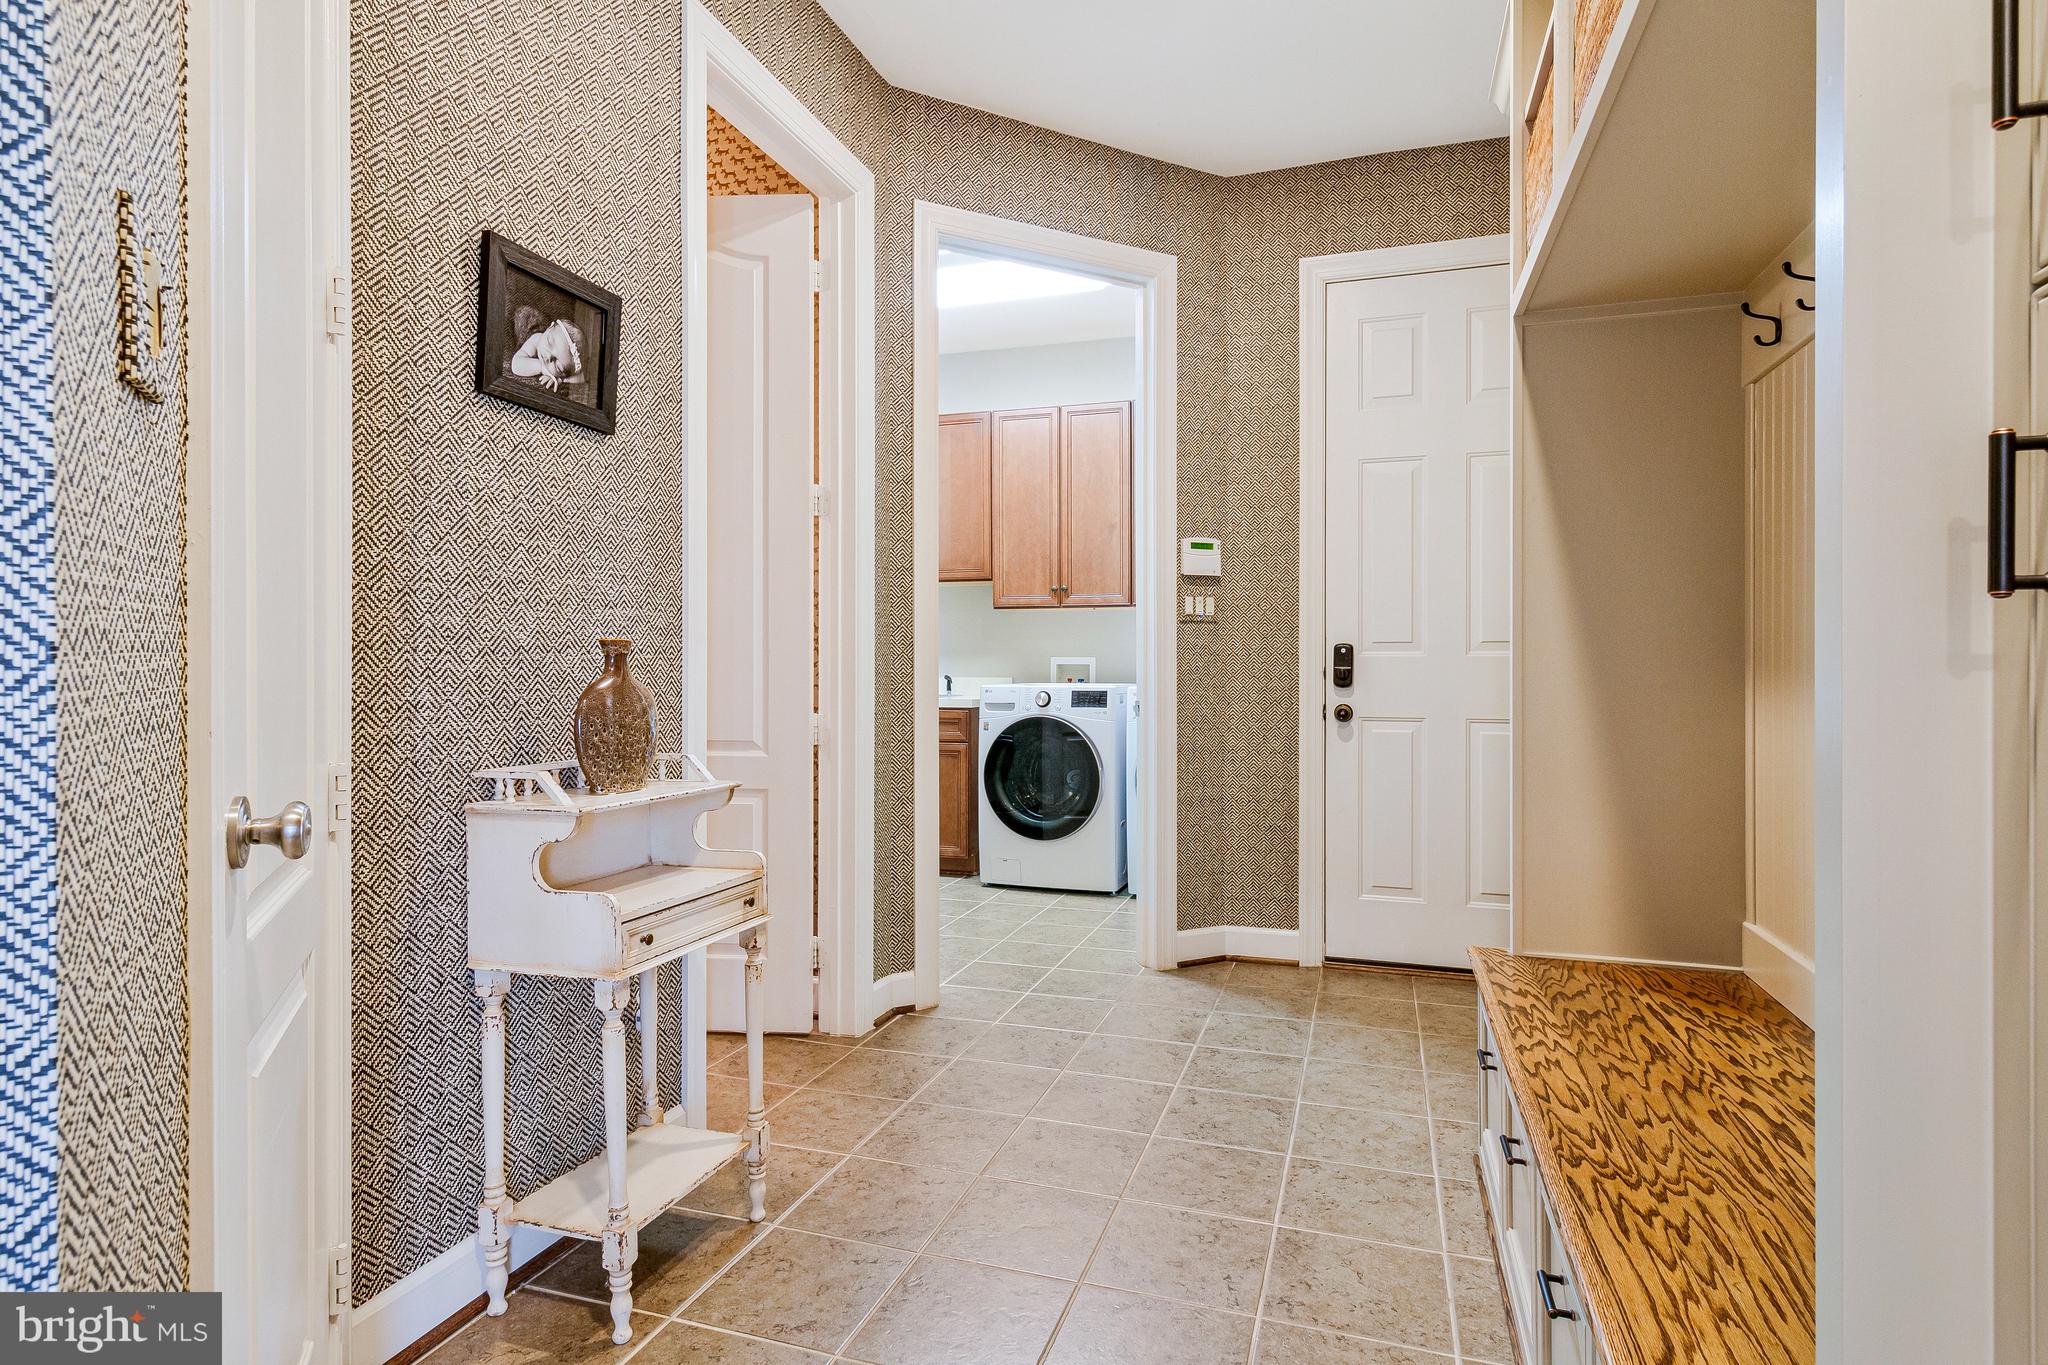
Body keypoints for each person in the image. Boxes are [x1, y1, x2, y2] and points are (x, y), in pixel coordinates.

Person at [506, 305, 585, 392]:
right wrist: (542, 368)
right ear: (549, 328)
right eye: (549, 343)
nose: (548, 356)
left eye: (558, 367)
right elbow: (516, 364)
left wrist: (561, 380)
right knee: (524, 313)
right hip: (530, 325)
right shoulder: (537, 339)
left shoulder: (570, 367)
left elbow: (583, 377)